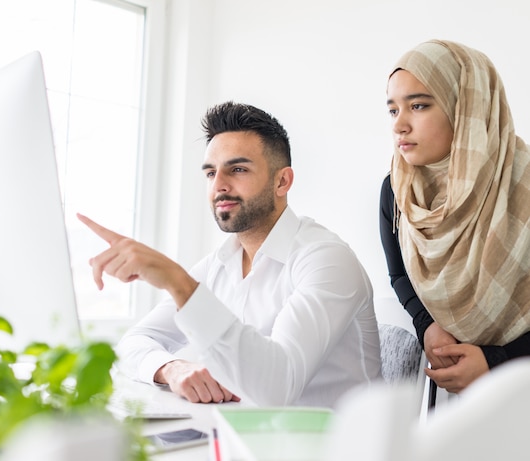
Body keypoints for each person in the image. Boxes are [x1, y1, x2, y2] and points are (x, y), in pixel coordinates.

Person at [79, 101, 380, 408]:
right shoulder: (219, 265)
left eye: (237, 169)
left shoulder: (326, 259)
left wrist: (178, 282)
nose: (219, 186)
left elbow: (277, 387)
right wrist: (171, 368)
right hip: (250, 440)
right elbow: (133, 342)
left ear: (282, 181)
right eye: (211, 173)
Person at [380, 39, 530, 395]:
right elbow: (399, 275)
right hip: (447, 392)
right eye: (392, 110)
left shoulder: (521, 187)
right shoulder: (397, 189)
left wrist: (495, 360)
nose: (399, 125)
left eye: (418, 105)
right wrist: (428, 326)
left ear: (467, 108)